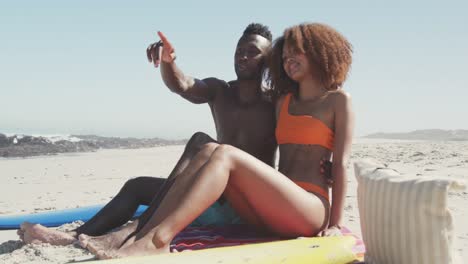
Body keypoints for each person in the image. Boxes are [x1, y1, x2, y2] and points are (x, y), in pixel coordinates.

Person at [92, 22, 354, 259]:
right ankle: (145, 233)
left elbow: (341, 163)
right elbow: (185, 85)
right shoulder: (282, 101)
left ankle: (157, 239)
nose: (288, 60)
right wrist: (169, 63)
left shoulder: (336, 100)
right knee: (205, 146)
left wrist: (335, 224)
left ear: (318, 52)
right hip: (270, 208)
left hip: (310, 208)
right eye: (284, 57)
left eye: (296, 52)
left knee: (223, 152)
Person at [17, 23, 278, 247]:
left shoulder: (276, 103)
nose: (243, 57)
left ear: (267, 61)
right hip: (212, 199)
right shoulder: (220, 91)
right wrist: (169, 62)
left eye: (252, 52)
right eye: (239, 51)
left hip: (248, 207)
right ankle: (74, 236)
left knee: (202, 141)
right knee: (136, 186)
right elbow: (184, 84)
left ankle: (137, 229)